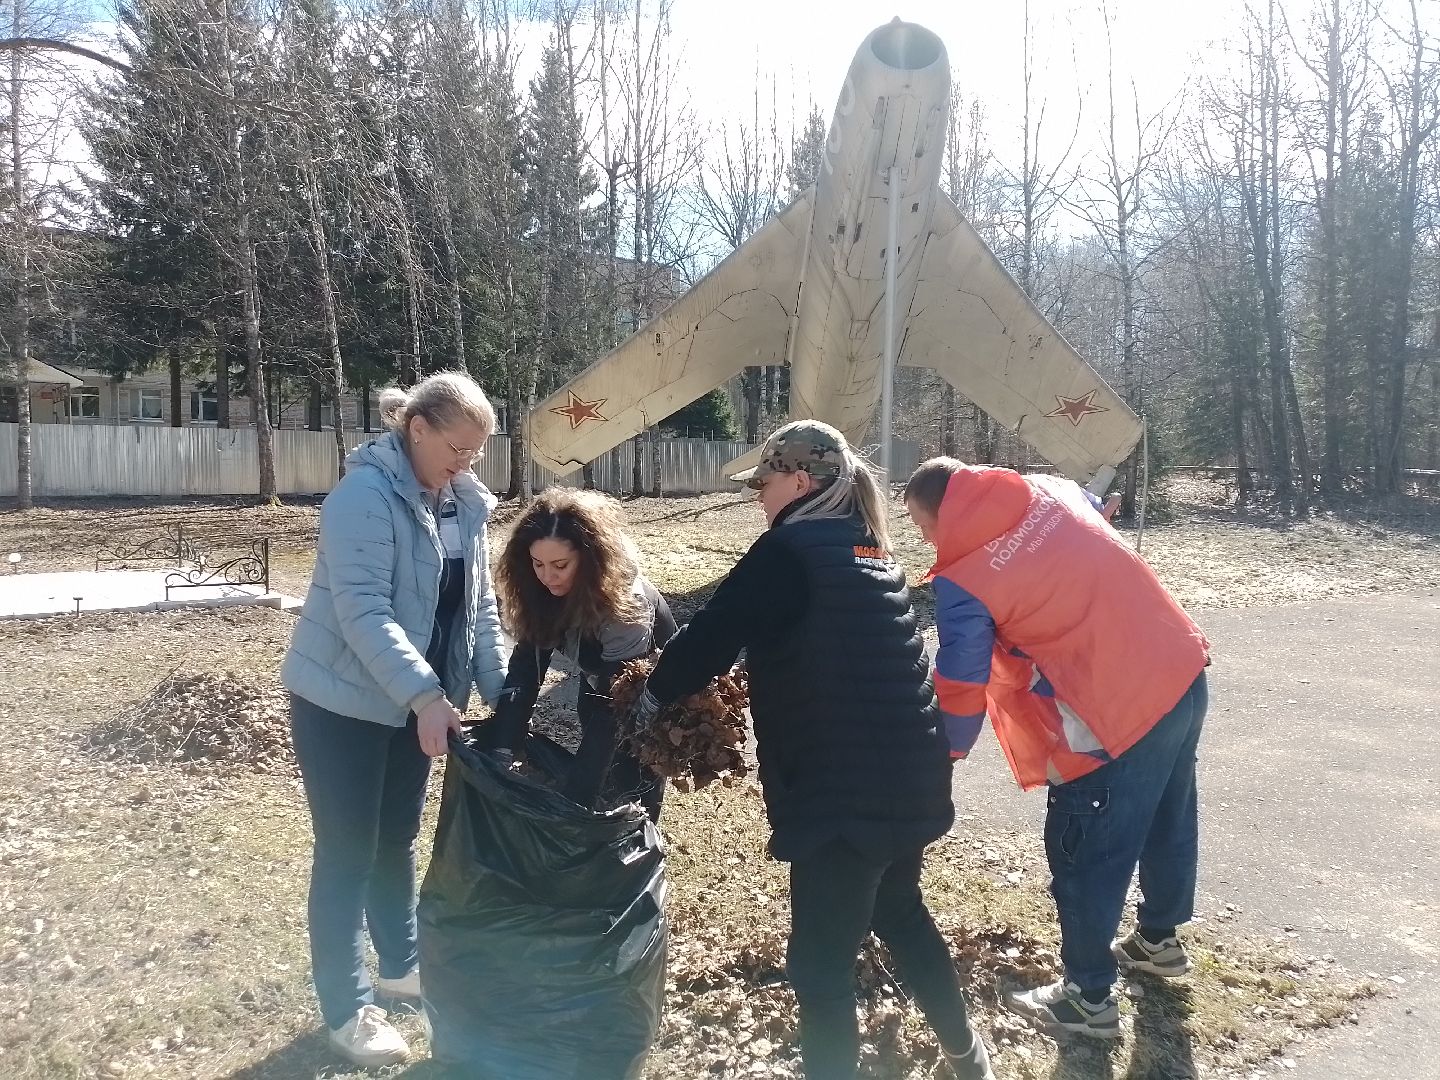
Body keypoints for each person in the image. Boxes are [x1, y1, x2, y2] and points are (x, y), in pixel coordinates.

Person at [621, 421, 995, 1080]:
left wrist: (649, 699)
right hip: (912, 776)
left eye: (762, 485)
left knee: (819, 969)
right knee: (899, 911)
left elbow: (712, 635)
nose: (758, 499)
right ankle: (971, 1060)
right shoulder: (871, 551)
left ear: (798, 481)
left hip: (843, 794)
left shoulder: (788, 552)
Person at [902, 457, 1211, 1040]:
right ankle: (1158, 941)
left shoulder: (964, 576)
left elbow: (962, 676)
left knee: (1088, 848)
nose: (926, 541)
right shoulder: (1049, 490)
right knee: (1167, 813)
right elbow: (1096, 514)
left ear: (944, 515)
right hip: (1180, 666)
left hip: (1111, 706)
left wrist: (944, 752)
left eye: (924, 526)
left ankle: (1088, 998)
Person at [279, 371, 508, 1068]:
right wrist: (426, 696)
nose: (465, 463)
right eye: (456, 448)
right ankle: (347, 1010)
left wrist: (504, 696)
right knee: (348, 851)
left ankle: (401, 968)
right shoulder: (363, 497)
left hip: (415, 703)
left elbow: (479, 611)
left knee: (395, 841)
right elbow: (363, 612)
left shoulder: (464, 505)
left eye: (475, 452)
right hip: (342, 703)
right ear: (417, 428)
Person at [485, 487, 675, 822]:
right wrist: (503, 746)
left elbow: (614, 707)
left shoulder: (626, 606)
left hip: (647, 689)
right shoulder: (537, 588)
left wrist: (575, 800)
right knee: (594, 756)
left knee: (630, 777)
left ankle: (637, 837)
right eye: (537, 564)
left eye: (560, 565)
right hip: (597, 677)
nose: (547, 577)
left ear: (590, 559)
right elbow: (526, 667)